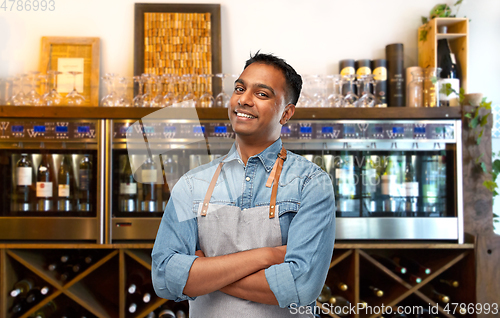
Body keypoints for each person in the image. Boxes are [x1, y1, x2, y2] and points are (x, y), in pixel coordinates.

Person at [152, 52, 335, 317]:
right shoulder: (192, 184)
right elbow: (164, 277)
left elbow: (300, 286)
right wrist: (267, 257)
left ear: (286, 113)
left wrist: (205, 273)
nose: (244, 100)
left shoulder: (310, 183)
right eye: (240, 88)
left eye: (262, 94)